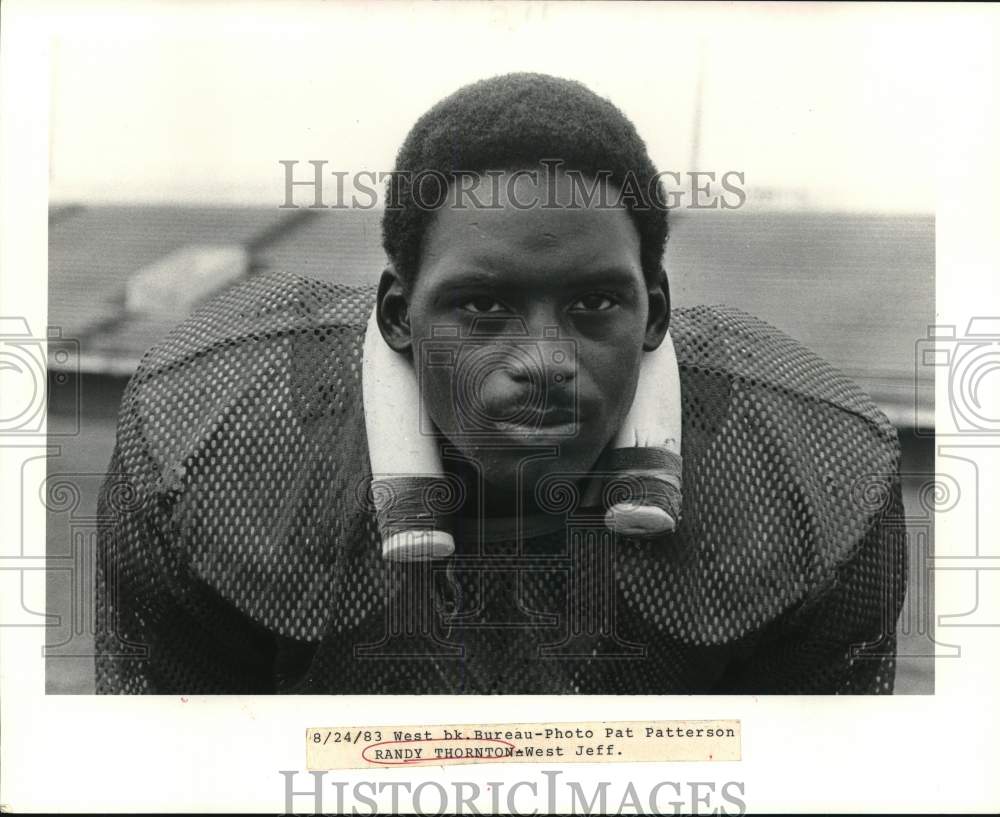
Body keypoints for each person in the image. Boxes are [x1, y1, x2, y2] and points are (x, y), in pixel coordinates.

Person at [95, 73, 906, 694]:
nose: (545, 359)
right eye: (482, 305)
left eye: (595, 302)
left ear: (655, 312)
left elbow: (818, 784)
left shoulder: (816, 468)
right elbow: (168, 777)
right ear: (398, 315)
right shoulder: (210, 444)